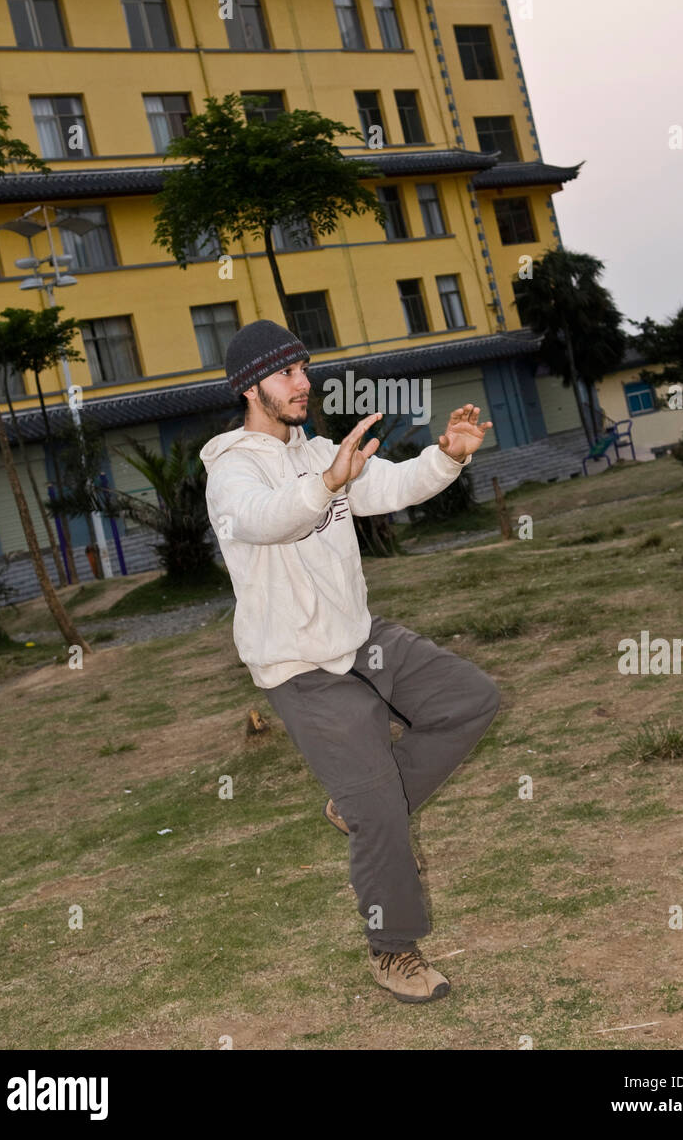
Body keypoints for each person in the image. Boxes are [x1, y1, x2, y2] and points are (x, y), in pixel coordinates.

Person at [201, 319, 501, 1004]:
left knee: (470, 699)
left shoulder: (315, 452)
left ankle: (362, 804)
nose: (302, 382)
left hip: (359, 636)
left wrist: (447, 457)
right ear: (251, 387)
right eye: (286, 374)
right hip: (298, 667)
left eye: (304, 369)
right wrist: (325, 482)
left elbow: (385, 486)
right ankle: (393, 952)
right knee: (383, 819)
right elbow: (266, 517)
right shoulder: (231, 470)